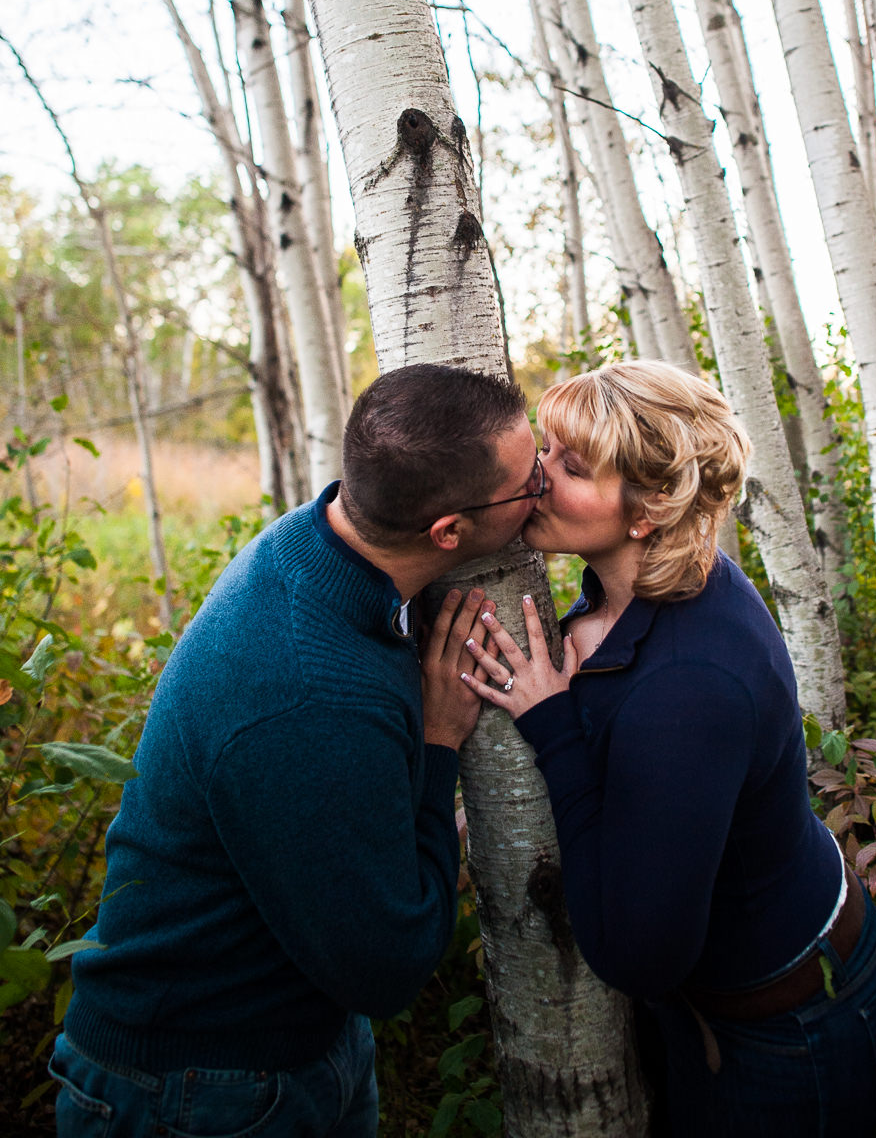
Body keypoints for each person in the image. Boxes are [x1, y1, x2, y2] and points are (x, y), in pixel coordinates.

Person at [50, 362, 544, 1138]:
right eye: (530, 482)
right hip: (200, 1084)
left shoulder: (315, 543)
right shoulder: (310, 696)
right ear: (447, 531)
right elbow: (387, 966)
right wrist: (438, 740)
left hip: (291, 1038)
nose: (544, 485)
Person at [462, 360, 876, 1137]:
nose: (538, 476)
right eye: (547, 448)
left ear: (649, 510)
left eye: (573, 466)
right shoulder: (648, 584)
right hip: (732, 994)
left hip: (784, 1028)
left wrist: (554, 729)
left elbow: (638, 958)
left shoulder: (689, 688)